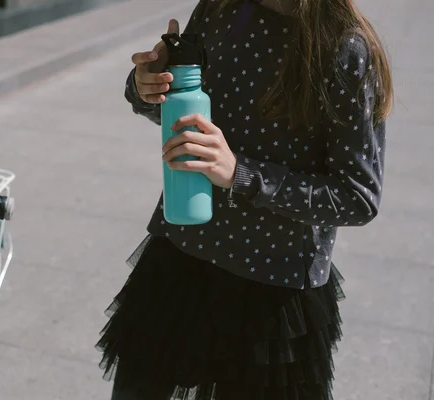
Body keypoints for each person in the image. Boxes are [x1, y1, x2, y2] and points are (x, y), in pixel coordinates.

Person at [96, 0, 393, 399]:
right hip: (181, 255)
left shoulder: (345, 48)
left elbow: (358, 196)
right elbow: (189, 110)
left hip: (272, 294)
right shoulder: (220, 7)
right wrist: (148, 87)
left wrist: (241, 174)